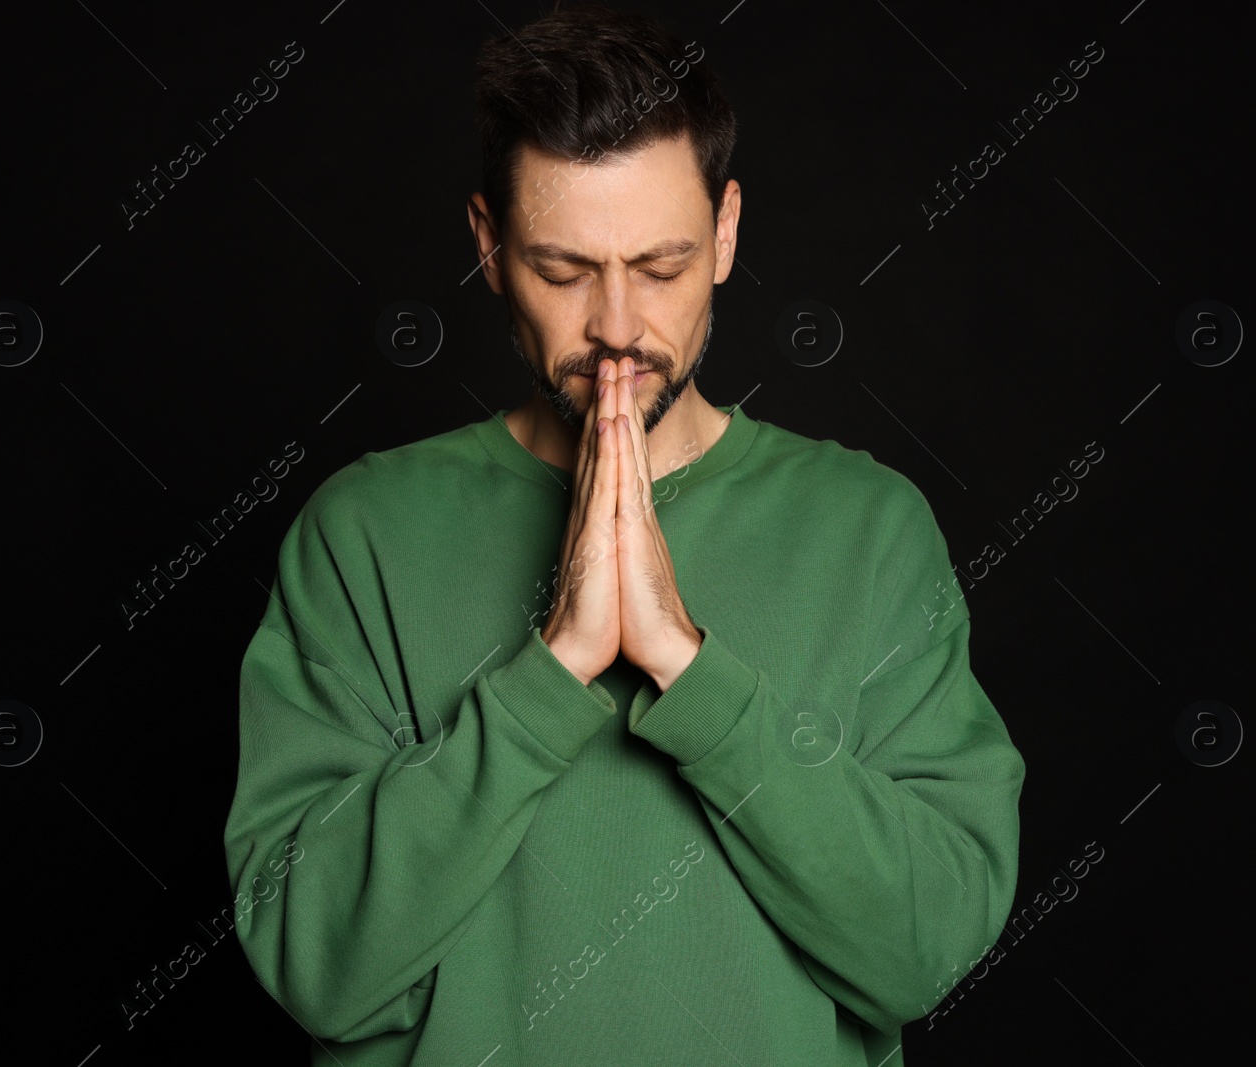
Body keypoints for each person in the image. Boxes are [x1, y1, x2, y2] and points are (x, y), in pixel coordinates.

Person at [222, 4, 1025, 1064]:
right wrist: (552, 671)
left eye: (659, 266)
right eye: (562, 270)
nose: (614, 326)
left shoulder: (868, 530)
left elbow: (920, 951)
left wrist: (686, 669)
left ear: (726, 234)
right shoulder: (362, 533)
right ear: (488, 246)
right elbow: (313, 962)